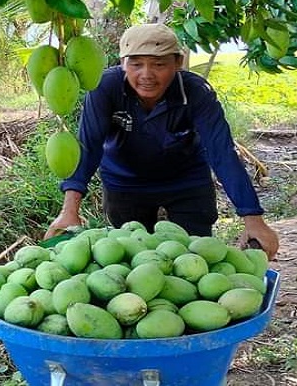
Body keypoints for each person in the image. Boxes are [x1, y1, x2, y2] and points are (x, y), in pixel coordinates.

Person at [44, 23, 280, 259]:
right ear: (123, 63)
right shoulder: (105, 88)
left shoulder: (196, 92)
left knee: (196, 258)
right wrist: (69, 209)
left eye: (159, 64)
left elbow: (222, 152)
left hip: (186, 182)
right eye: (136, 64)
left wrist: (253, 218)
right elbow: (89, 146)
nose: (146, 74)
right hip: (124, 183)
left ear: (177, 63)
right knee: (130, 260)